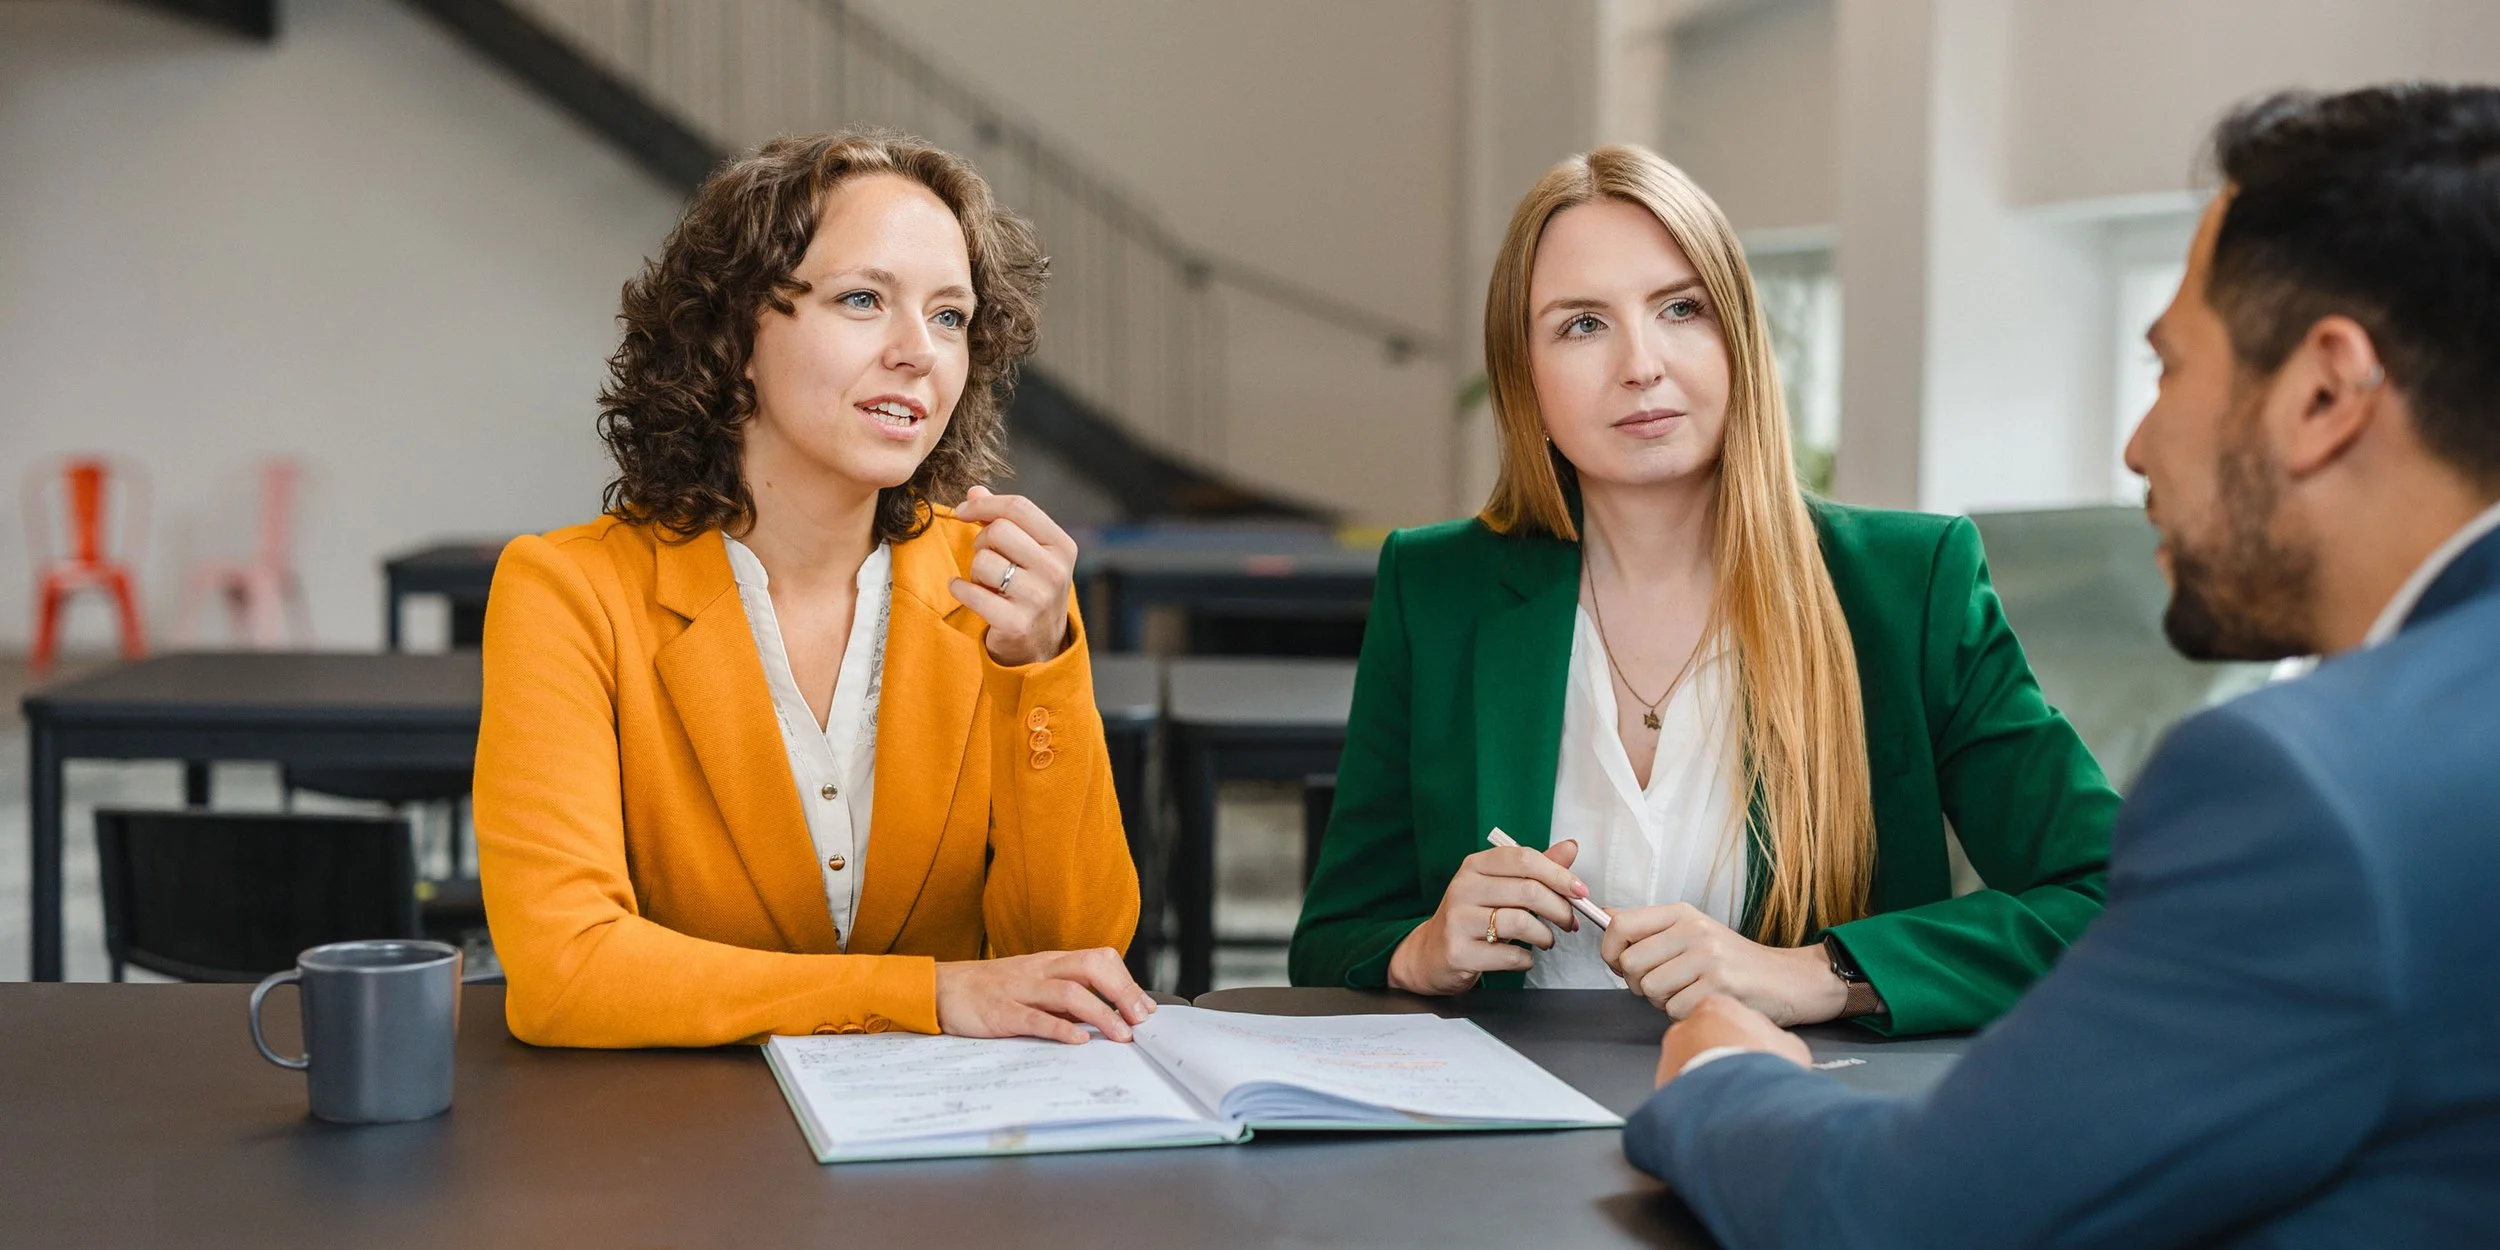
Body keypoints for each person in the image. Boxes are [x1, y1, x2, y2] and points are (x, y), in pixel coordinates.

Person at [1624, 83, 2500, 1249]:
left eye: (2169, 367)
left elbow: (1901, 1216)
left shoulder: (2310, 797)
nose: (2138, 443)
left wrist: (1720, 1077)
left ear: (2325, 392)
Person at [1290, 144, 2118, 1037]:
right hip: (1504, 1142)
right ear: (1522, 372)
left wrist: (1826, 972)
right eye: (1581, 325)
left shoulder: (1909, 585)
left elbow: (2112, 895)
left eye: (1680, 308)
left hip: (1799, 1125)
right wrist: (1424, 949)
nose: (1641, 364)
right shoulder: (1435, 588)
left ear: (1737, 335)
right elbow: (1333, 940)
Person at [473, 129, 1152, 1049]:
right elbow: (566, 972)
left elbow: (1073, 963)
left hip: (948, 1158)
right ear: (734, 335)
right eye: (864, 299)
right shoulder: (567, 593)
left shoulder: (1000, 589)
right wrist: (930, 996)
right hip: (674, 1157)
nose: (920, 351)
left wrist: (1039, 669)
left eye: (951, 316)